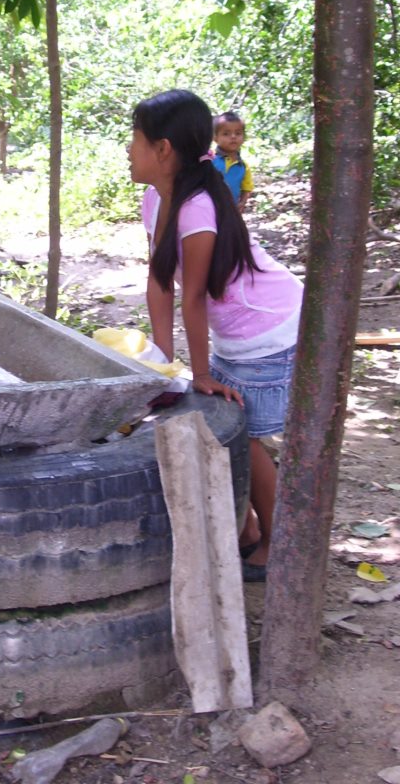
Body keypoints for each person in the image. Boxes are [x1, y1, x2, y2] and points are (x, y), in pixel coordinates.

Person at [130, 90, 303, 582]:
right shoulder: (155, 199)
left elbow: (195, 296)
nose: (129, 149)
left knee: (241, 436)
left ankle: (276, 542)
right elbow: (161, 280)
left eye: (135, 139)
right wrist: (164, 364)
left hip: (268, 331)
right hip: (237, 334)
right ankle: (246, 532)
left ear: (162, 149)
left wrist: (200, 372)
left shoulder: (198, 208)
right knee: (219, 428)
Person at [212, 110, 253, 212]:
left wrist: (242, 203)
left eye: (238, 133)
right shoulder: (210, 161)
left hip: (231, 211)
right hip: (210, 209)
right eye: (226, 134)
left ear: (244, 137)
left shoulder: (243, 166)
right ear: (215, 138)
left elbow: (246, 188)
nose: (233, 137)